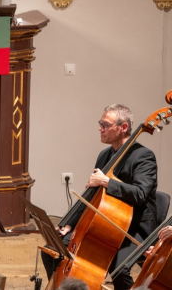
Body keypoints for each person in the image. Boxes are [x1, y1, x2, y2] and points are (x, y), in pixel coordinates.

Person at [41, 104, 158, 290]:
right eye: (100, 123)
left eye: (105, 124)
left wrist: (107, 182)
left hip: (132, 229)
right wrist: (70, 223)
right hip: (104, 225)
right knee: (53, 251)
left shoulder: (143, 156)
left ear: (123, 127)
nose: (100, 128)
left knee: (119, 267)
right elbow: (92, 197)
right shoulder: (105, 155)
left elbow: (140, 194)